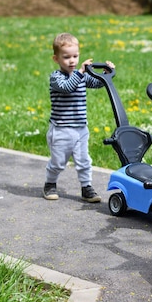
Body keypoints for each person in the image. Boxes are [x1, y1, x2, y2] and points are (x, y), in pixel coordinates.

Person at [42, 32, 113, 203]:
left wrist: (106, 73)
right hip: (61, 130)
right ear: (56, 59)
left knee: (84, 160)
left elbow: (96, 83)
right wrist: (81, 72)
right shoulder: (56, 78)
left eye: (75, 56)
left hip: (81, 128)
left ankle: (86, 187)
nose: (72, 61)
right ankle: (50, 183)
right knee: (58, 162)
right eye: (66, 57)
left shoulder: (81, 77)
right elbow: (67, 87)